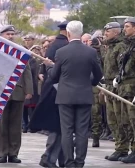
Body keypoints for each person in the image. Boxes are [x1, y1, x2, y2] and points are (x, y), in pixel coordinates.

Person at [44, 20, 103, 167]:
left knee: (67, 131)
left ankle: (69, 162)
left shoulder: (61, 52)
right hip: (84, 95)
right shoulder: (91, 52)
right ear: (81, 33)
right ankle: (80, 162)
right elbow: (98, 74)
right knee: (82, 131)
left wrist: (48, 68)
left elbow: (54, 76)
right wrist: (92, 82)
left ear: (68, 33)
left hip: (65, 97)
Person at [29, 21, 69, 168]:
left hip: (52, 89)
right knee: (58, 127)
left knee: (59, 127)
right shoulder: (64, 46)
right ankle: (48, 158)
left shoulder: (54, 46)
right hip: (58, 91)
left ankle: (61, 159)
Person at [0, 25, 33, 163]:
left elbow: (26, 71)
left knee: (16, 125)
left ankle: (13, 153)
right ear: (1, 35)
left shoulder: (20, 51)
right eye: (7, 34)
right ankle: (2, 152)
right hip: (1, 91)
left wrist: (29, 90)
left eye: (12, 34)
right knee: (2, 124)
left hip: (18, 90)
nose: (10, 36)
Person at [102, 22, 129, 161]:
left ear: (116, 32)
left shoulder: (121, 46)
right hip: (108, 87)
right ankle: (119, 147)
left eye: (108, 31)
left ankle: (123, 148)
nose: (105, 33)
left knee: (121, 119)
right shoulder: (109, 47)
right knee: (112, 120)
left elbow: (122, 69)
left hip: (118, 88)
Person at [114, 17, 135, 164]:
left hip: (133, 88)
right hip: (125, 88)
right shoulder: (128, 45)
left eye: (127, 26)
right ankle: (128, 149)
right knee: (126, 121)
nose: (124, 29)